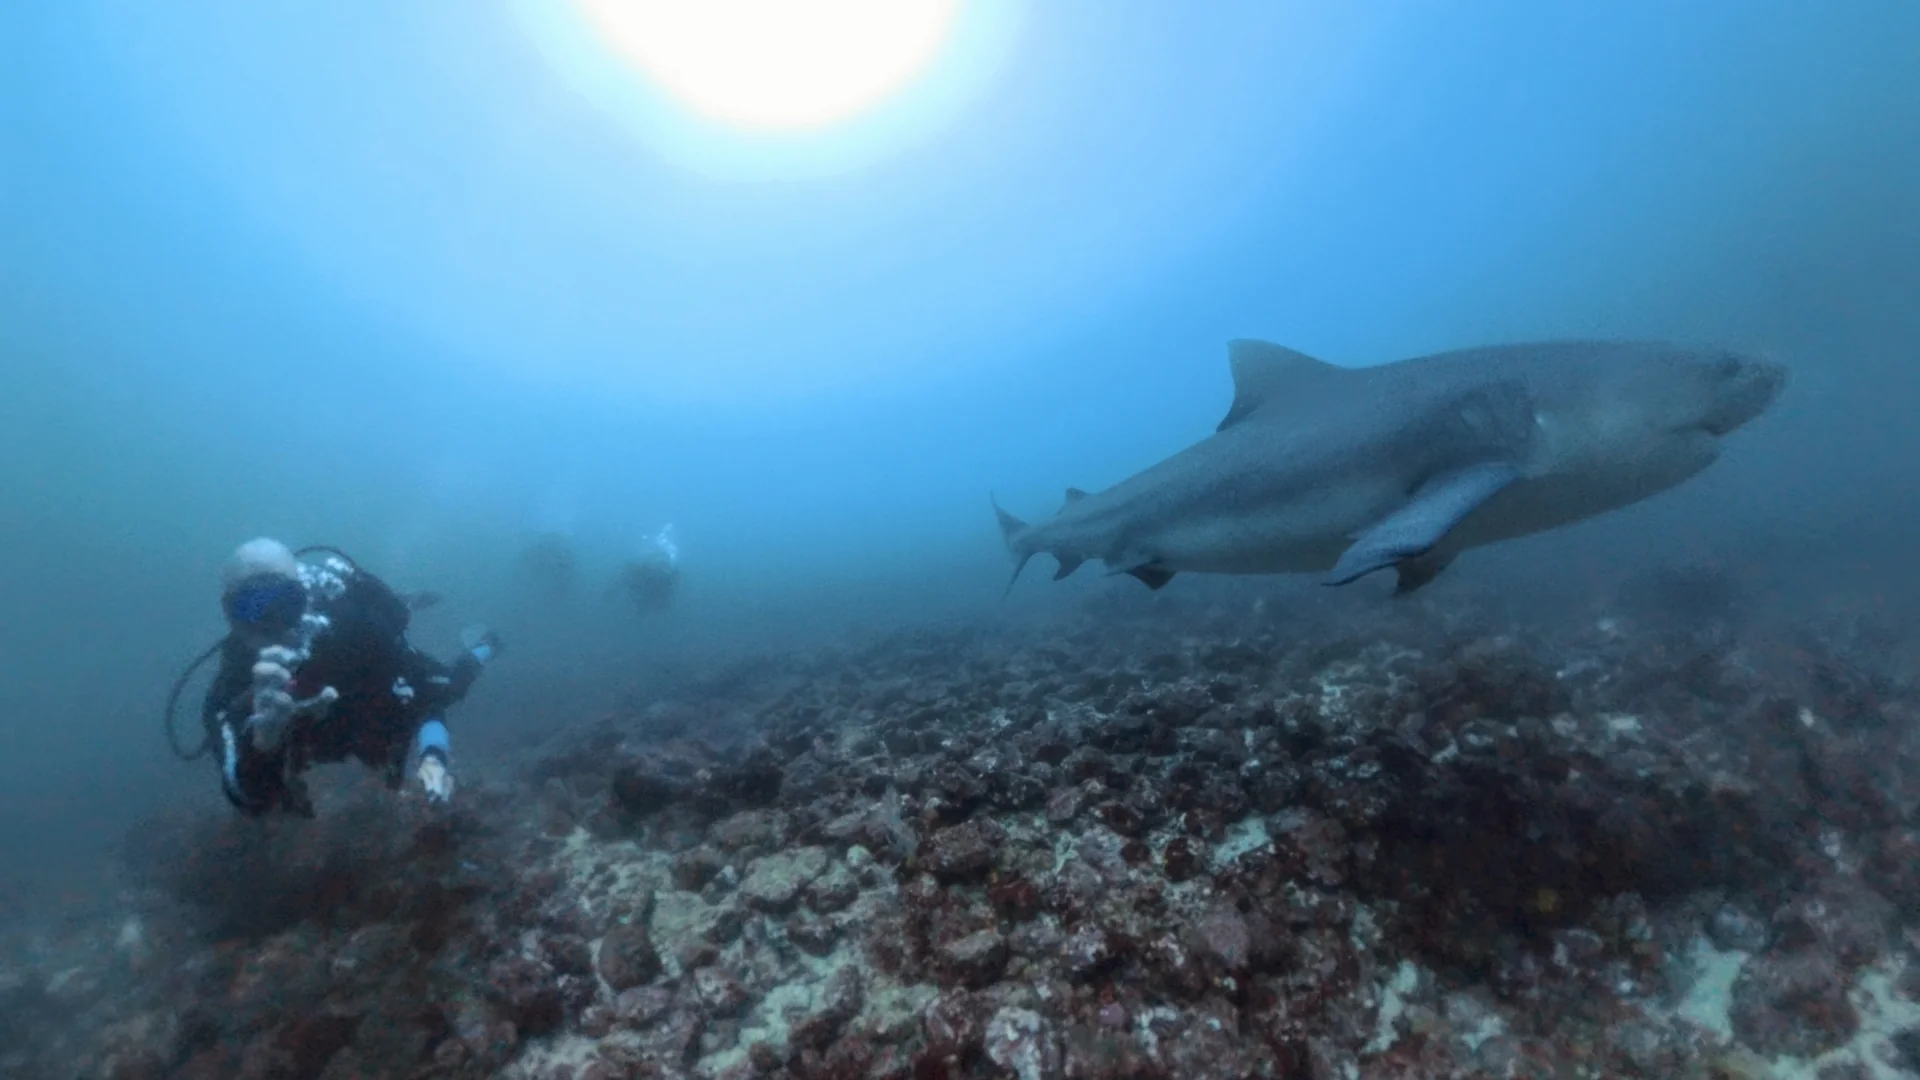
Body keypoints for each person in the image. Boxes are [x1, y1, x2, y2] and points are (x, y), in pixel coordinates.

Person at [201, 538, 501, 818]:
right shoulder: (230, 690)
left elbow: (428, 698)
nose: (270, 624)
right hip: (326, 741)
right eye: (248, 607)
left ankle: (484, 646)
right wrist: (263, 744)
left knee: (449, 685)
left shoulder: (353, 629)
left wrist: (433, 755)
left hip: (368, 713)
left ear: (304, 598)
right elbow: (248, 800)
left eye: (284, 603)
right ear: (229, 617)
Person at [619, 524, 681, 614]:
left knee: (651, 603)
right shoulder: (645, 568)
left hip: (652, 592)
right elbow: (627, 577)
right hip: (647, 589)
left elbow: (670, 588)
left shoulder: (666, 575)